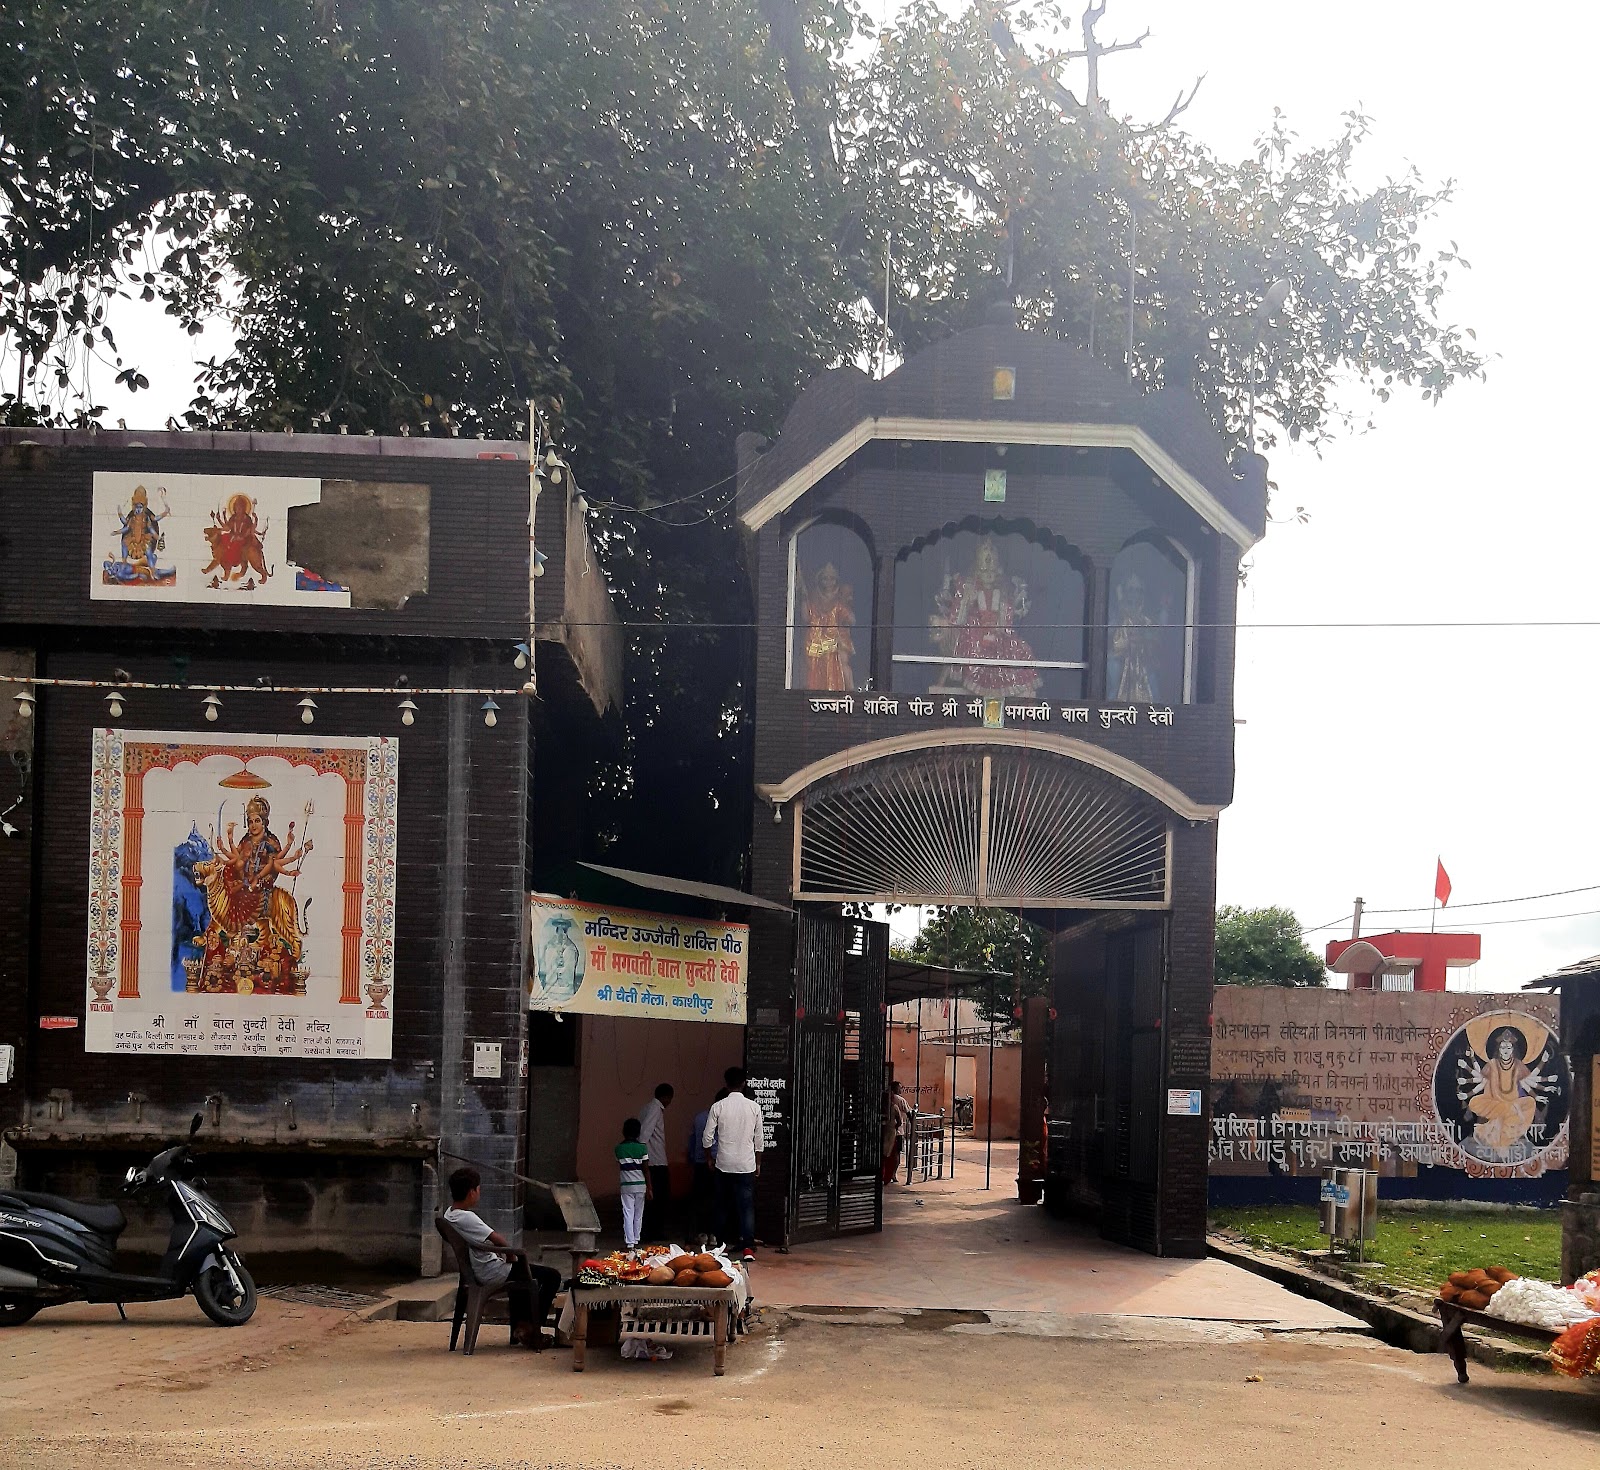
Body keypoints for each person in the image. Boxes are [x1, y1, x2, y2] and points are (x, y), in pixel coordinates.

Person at [442, 1166, 559, 1350]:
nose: (479, 1193)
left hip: (480, 1269)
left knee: (523, 1273)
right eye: (478, 1189)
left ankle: (521, 1327)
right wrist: (511, 1256)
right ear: (471, 1192)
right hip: (490, 1272)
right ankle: (530, 1329)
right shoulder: (467, 1217)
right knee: (552, 1276)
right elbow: (498, 1239)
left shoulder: (449, 1214)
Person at [702, 1067, 764, 1262]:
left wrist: (709, 1159)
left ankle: (721, 1247)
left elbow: (707, 1138)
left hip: (724, 1164)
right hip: (746, 1165)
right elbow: (759, 1140)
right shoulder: (754, 1107)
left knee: (721, 1206)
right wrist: (758, 1163)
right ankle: (748, 1249)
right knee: (746, 1208)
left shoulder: (718, 1107)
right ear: (744, 1084)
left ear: (725, 1083)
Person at [637, 1082, 674, 1242]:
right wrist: (643, 1156)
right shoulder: (655, 1109)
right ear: (666, 1097)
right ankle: (651, 1231)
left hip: (653, 1159)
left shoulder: (647, 1107)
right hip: (655, 1160)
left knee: (655, 1199)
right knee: (657, 1198)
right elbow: (644, 1135)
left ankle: (652, 1230)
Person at [688, 1088, 727, 1237]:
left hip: (699, 1163)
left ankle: (698, 1233)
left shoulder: (699, 1117)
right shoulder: (723, 1118)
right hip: (717, 1163)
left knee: (699, 1201)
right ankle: (714, 1233)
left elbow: (692, 1140)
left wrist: (692, 1159)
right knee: (717, 1200)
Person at [616, 1116, 650, 1249]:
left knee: (628, 1213)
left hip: (626, 1186)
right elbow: (646, 1170)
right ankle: (636, 1239)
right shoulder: (643, 1148)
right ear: (638, 1132)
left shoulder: (618, 1149)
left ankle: (630, 1242)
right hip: (641, 1185)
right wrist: (650, 1188)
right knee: (638, 1213)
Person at [882, 1080, 911, 1185]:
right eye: (900, 1087)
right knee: (895, 1155)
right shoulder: (899, 1102)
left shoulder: (883, 1102)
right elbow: (908, 1114)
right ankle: (892, 1174)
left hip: (886, 1133)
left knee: (885, 1155)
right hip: (896, 1133)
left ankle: (884, 1174)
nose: (901, 1089)